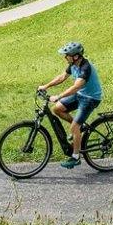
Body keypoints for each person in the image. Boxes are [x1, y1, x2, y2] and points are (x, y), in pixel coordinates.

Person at [39, 41, 102, 169]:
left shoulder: (85, 68)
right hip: (81, 95)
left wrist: (59, 96)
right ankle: (79, 127)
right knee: (57, 109)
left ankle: (75, 157)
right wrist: (46, 86)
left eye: (67, 55)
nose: (65, 57)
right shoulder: (73, 65)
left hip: (91, 98)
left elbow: (75, 87)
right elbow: (62, 77)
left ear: (76, 56)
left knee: (74, 128)